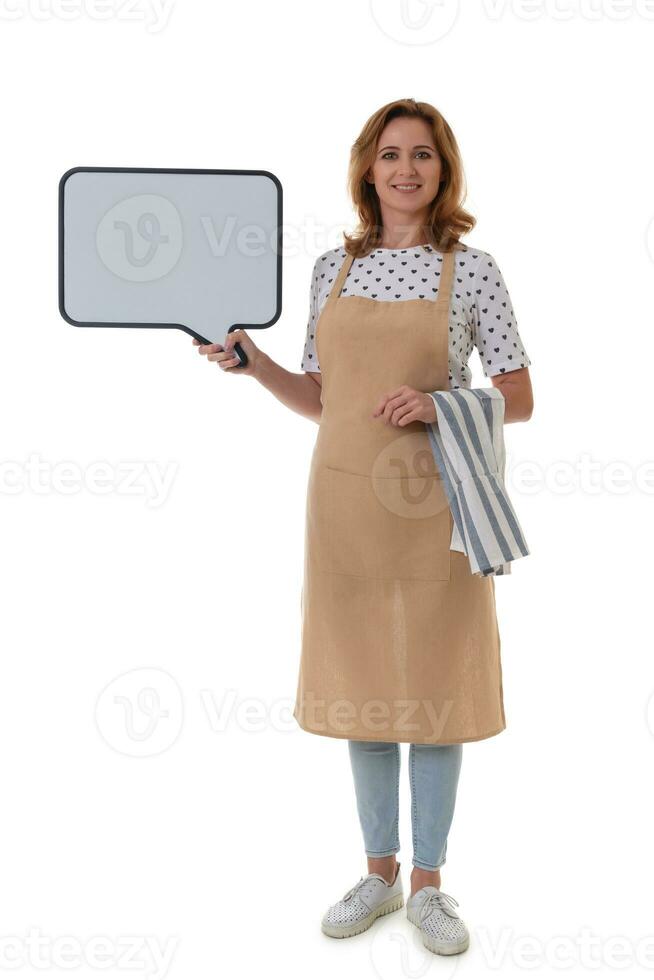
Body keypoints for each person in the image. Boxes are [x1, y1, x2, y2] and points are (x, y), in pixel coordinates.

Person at [193, 98, 534, 957]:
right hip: (343, 503)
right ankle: (378, 874)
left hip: (437, 507)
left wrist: (439, 401)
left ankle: (429, 886)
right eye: (391, 155)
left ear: (444, 169)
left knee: (438, 693)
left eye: (423, 155)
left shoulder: (476, 270)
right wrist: (252, 361)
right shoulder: (328, 270)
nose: (406, 170)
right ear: (367, 168)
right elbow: (324, 399)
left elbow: (520, 398)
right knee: (366, 691)